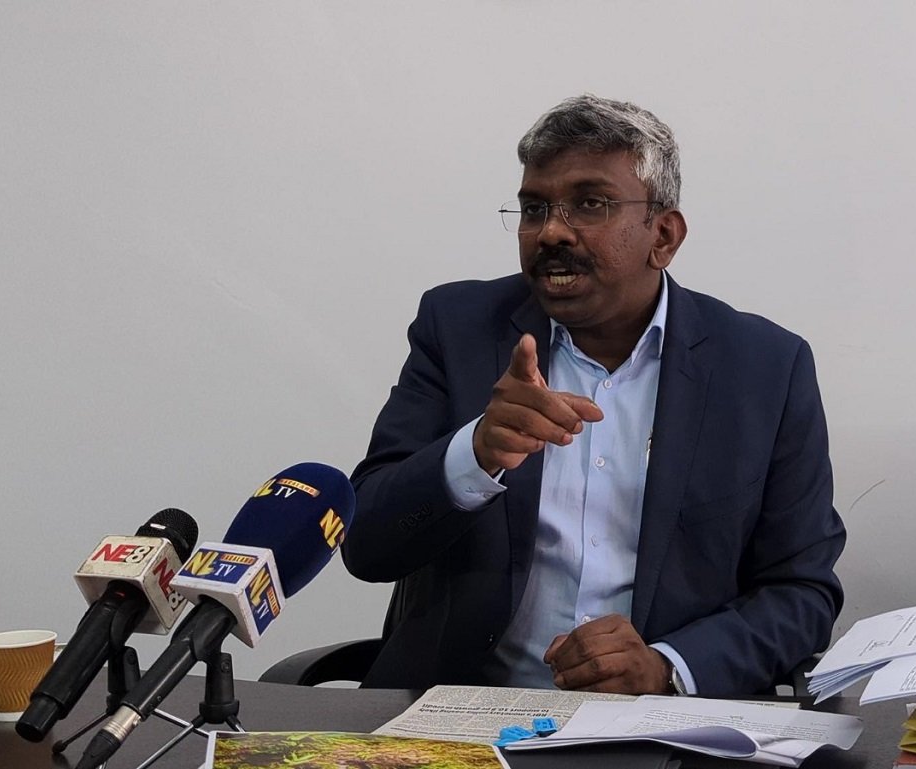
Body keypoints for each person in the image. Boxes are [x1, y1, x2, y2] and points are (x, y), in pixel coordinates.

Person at [342, 94, 845, 698]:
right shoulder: (457, 328)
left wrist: (667, 668)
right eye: (534, 208)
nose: (551, 231)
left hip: (662, 727)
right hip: (462, 718)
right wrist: (474, 453)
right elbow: (365, 545)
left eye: (590, 204)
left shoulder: (765, 368)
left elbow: (801, 592)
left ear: (663, 236)